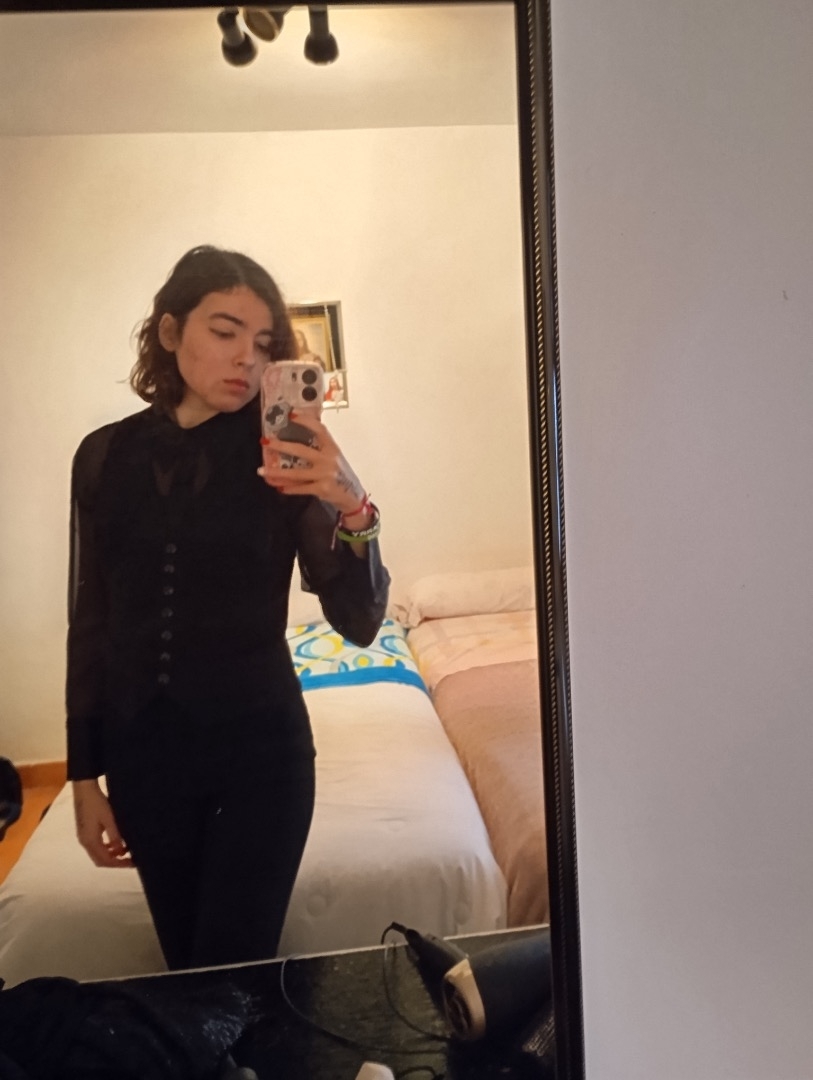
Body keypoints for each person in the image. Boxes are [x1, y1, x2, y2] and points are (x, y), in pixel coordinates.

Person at [67, 245, 389, 972]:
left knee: (234, 971)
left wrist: (351, 504)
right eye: (224, 331)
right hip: (143, 761)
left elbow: (359, 619)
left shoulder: (285, 453)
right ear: (170, 331)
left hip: (261, 757)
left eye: (265, 343)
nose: (247, 357)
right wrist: (83, 774)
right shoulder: (102, 457)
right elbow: (91, 622)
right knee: (186, 972)